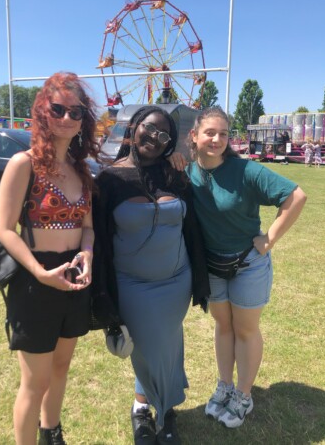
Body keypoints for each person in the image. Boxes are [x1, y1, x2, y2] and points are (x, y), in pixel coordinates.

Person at [169, 106, 307, 429]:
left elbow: (296, 197)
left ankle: (244, 394)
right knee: (223, 325)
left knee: (245, 329)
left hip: (248, 263)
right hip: (212, 265)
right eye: (210, 133)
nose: (217, 139)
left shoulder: (246, 171)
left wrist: (269, 239)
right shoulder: (187, 171)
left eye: (223, 134)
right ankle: (225, 385)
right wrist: (173, 160)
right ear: (194, 135)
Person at [92, 106, 210, 445]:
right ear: (133, 127)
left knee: (168, 342)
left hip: (177, 282)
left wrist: (199, 281)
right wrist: (102, 295)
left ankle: (145, 408)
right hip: (133, 285)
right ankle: (164, 409)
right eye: (149, 129)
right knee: (149, 347)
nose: (154, 138)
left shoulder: (174, 176)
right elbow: (100, 242)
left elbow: (192, 229)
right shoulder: (110, 180)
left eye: (164, 136)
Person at [0, 72, 100, 445]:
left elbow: (87, 226)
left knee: (61, 366)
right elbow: (5, 229)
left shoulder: (81, 170)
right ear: (42, 111)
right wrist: (40, 273)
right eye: (59, 109)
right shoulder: (23, 164)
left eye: (77, 112)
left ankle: (50, 431)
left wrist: (86, 253)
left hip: (72, 278)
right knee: (35, 381)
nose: (68, 118)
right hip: (34, 280)